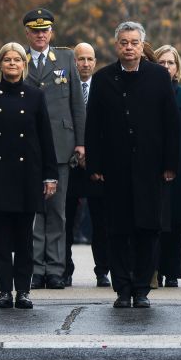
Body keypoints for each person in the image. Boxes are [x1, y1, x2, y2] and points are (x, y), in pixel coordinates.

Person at [84, 22, 179, 309]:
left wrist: (170, 163)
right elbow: (93, 126)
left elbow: (171, 123)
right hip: (115, 167)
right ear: (117, 46)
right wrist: (95, 164)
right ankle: (122, 288)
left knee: (147, 230)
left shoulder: (158, 76)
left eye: (134, 42)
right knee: (118, 230)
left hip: (150, 167)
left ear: (142, 45)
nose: (129, 47)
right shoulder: (103, 78)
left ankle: (141, 288)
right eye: (124, 42)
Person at [0, 43, 61, 310]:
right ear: (0, 65)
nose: (11, 63)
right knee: (1, 239)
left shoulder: (35, 96)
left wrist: (50, 175)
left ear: (23, 64)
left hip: (26, 176)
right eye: (6, 59)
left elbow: (46, 139)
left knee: (24, 239)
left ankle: (23, 291)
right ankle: (4, 291)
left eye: (16, 59)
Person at [20, 8, 86, 290]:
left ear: (51, 32)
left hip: (61, 145)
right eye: (35, 30)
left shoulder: (67, 58)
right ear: (27, 33)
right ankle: (36, 268)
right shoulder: (18, 59)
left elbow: (76, 104)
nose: (40, 35)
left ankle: (56, 269)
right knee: (34, 210)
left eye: (44, 30)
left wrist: (81, 142)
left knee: (58, 211)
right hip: (29, 146)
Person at [65, 41, 107, 288]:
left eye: (90, 59)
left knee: (100, 221)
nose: (86, 63)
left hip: (97, 166)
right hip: (70, 165)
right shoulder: (66, 90)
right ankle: (65, 270)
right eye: (81, 59)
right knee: (67, 220)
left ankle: (102, 269)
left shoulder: (101, 87)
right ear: (74, 62)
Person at [153, 44, 181, 288]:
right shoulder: (148, 92)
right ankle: (154, 268)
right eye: (162, 63)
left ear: (177, 68)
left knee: (175, 222)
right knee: (155, 220)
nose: (166, 67)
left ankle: (173, 272)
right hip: (153, 165)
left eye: (170, 63)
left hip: (180, 164)